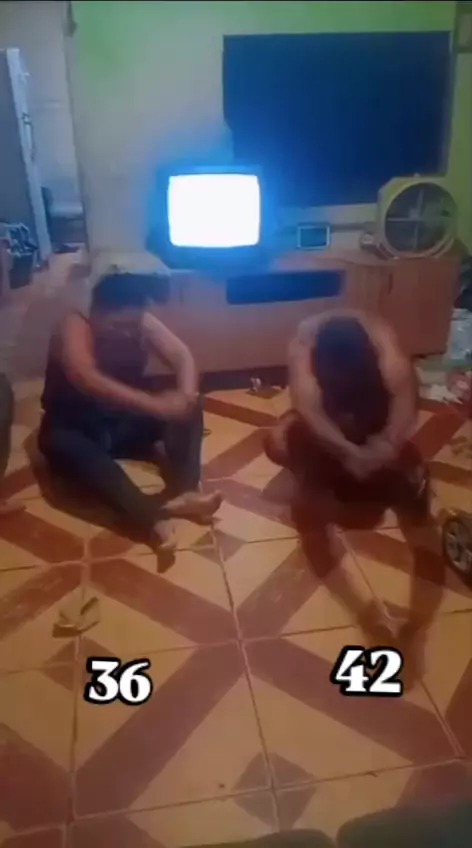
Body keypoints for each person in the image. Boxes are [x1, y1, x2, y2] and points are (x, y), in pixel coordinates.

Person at [38, 272, 221, 549]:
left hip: (120, 424)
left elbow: (181, 355)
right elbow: (84, 375)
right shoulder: (74, 324)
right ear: (96, 313)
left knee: (191, 406)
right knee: (76, 452)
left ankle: (186, 490)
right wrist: (155, 405)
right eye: (118, 325)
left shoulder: (140, 321)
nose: (128, 332)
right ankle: (151, 520)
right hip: (76, 428)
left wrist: (185, 397)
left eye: (133, 325)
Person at [265, 309, 426, 507]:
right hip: (335, 425)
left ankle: (380, 475)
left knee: (397, 460)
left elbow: (405, 412)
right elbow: (310, 412)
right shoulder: (304, 358)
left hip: (372, 411)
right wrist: (351, 454)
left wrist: (387, 445)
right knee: (276, 443)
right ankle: (324, 478)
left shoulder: (393, 368)